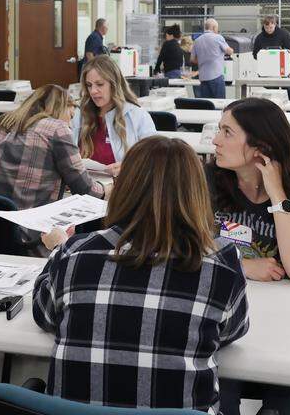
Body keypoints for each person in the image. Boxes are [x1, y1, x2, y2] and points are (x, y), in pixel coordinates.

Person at [33, 135, 248, 413]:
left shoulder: (75, 253)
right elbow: (232, 330)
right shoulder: (222, 263)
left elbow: (45, 314)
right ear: (197, 193)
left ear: (124, 188)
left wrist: (58, 250)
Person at [207, 98, 290, 415]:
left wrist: (277, 195)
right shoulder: (207, 180)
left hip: (285, 326)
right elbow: (179, 247)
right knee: (219, 396)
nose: (216, 140)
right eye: (219, 130)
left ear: (261, 146)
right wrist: (242, 265)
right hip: (222, 320)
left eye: (227, 132)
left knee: (288, 398)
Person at [0, 85, 105, 254]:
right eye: (70, 116)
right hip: (32, 234)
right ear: (60, 107)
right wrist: (106, 188)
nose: (70, 124)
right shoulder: (57, 128)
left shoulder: (3, 121)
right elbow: (86, 188)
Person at [72, 55, 156, 177]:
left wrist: (130, 166)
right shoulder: (78, 114)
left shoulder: (137, 116)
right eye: (89, 85)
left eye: (99, 84)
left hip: (122, 187)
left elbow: (155, 158)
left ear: (114, 84)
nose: (93, 91)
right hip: (84, 188)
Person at [191, 18, 234, 98]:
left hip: (203, 78)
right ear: (214, 27)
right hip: (216, 76)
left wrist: (203, 60)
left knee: (207, 105)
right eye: (217, 28)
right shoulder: (218, 37)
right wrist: (230, 50)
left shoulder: (197, 40)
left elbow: (192, 59)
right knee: (220, 103)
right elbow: (229, 51)